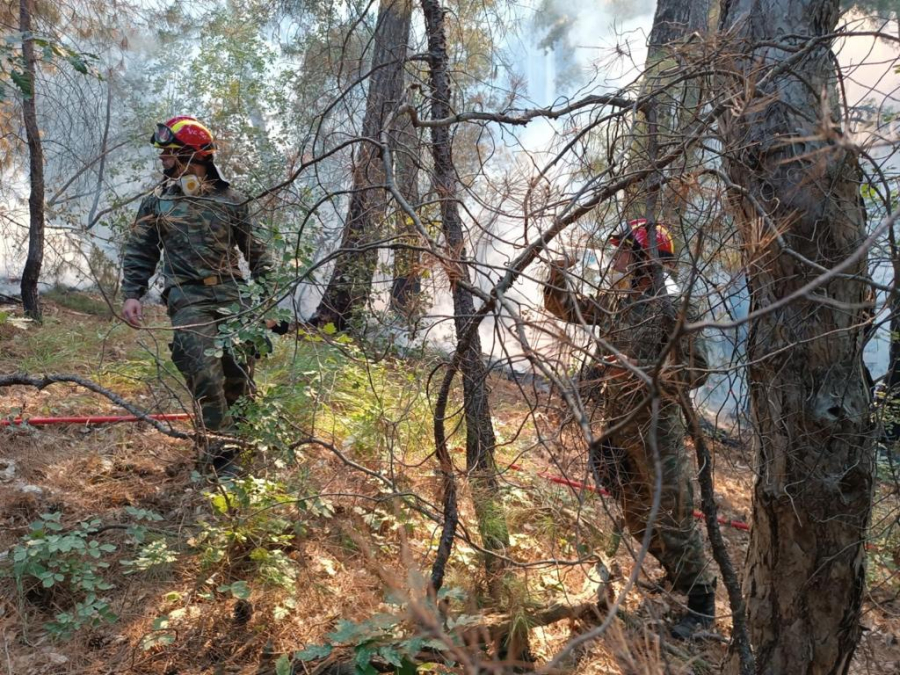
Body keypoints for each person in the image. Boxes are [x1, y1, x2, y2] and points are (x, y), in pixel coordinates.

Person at [543, 218, 717, 639]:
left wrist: (640, 375)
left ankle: (701, 603)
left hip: (659, 434)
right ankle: (677, 573)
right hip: (621, 427)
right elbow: (567, 308)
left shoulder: (674, 304)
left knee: (674, 519)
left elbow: (696, 369)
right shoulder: (623, 301)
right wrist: (557, 274)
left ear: (645, 259)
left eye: (623, 251)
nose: (616, 259)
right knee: (639, 519)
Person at [121, 116, 275, 472]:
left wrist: (265, 299)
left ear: (193, 157)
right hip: (186, 297)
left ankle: (244, 447)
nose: (162, 159)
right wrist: (133, 293)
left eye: (169, 153)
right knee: (202, 371)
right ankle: (222, 462)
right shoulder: (157, 202)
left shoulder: (231, 200)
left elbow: (256, 251)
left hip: (232, 296)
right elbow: (141, 251)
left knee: (238, 375)